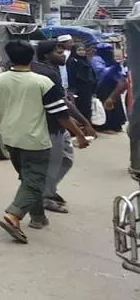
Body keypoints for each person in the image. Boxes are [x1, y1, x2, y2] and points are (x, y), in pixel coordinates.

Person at [0, 40, 88, 243]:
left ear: (10, 59)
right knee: (34, 180)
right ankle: (14, 215)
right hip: (35, 140)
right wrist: (79, 134)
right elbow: (61, 115)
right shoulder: (42, 82)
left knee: (29, 179)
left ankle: (38, 217)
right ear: (31, 58)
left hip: (10, 138)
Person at [31, 40, 94, 214]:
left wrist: (83, 121)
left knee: (66, 158)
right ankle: (44, 198)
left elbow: (64, 100)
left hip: (58, 125)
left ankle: (48, 190)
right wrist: (81, 129)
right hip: (51, 125)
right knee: (53, 164)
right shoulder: (46, 74)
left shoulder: (52, 70)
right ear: (46, 55)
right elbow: (61, 106)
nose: (63, 54)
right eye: (59, 51)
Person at [66, 43, 98, 122]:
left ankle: (88, 124)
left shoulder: (86, 60)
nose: (82, 52)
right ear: (74, 51)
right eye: (79, 50)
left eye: (83, 50)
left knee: (88, 107)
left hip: (88, 88)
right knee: (80, 108)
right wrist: (72, 89)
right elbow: (71, 75)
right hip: (78, 89)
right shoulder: (73, 61)